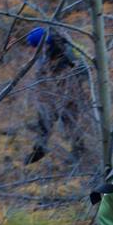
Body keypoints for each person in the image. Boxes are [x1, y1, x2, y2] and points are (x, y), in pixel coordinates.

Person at [25, 25, 88, 164]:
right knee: (43, 116)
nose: (32, 50)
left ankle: (79, 153)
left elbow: (76, 74)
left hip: (71, 90)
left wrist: (57, 101)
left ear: (42, 43)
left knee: (70, 120)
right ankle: (40, 148)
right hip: (56, 90)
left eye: (34, 46)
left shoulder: (62, 50)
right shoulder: (45, 53)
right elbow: (42, 77)